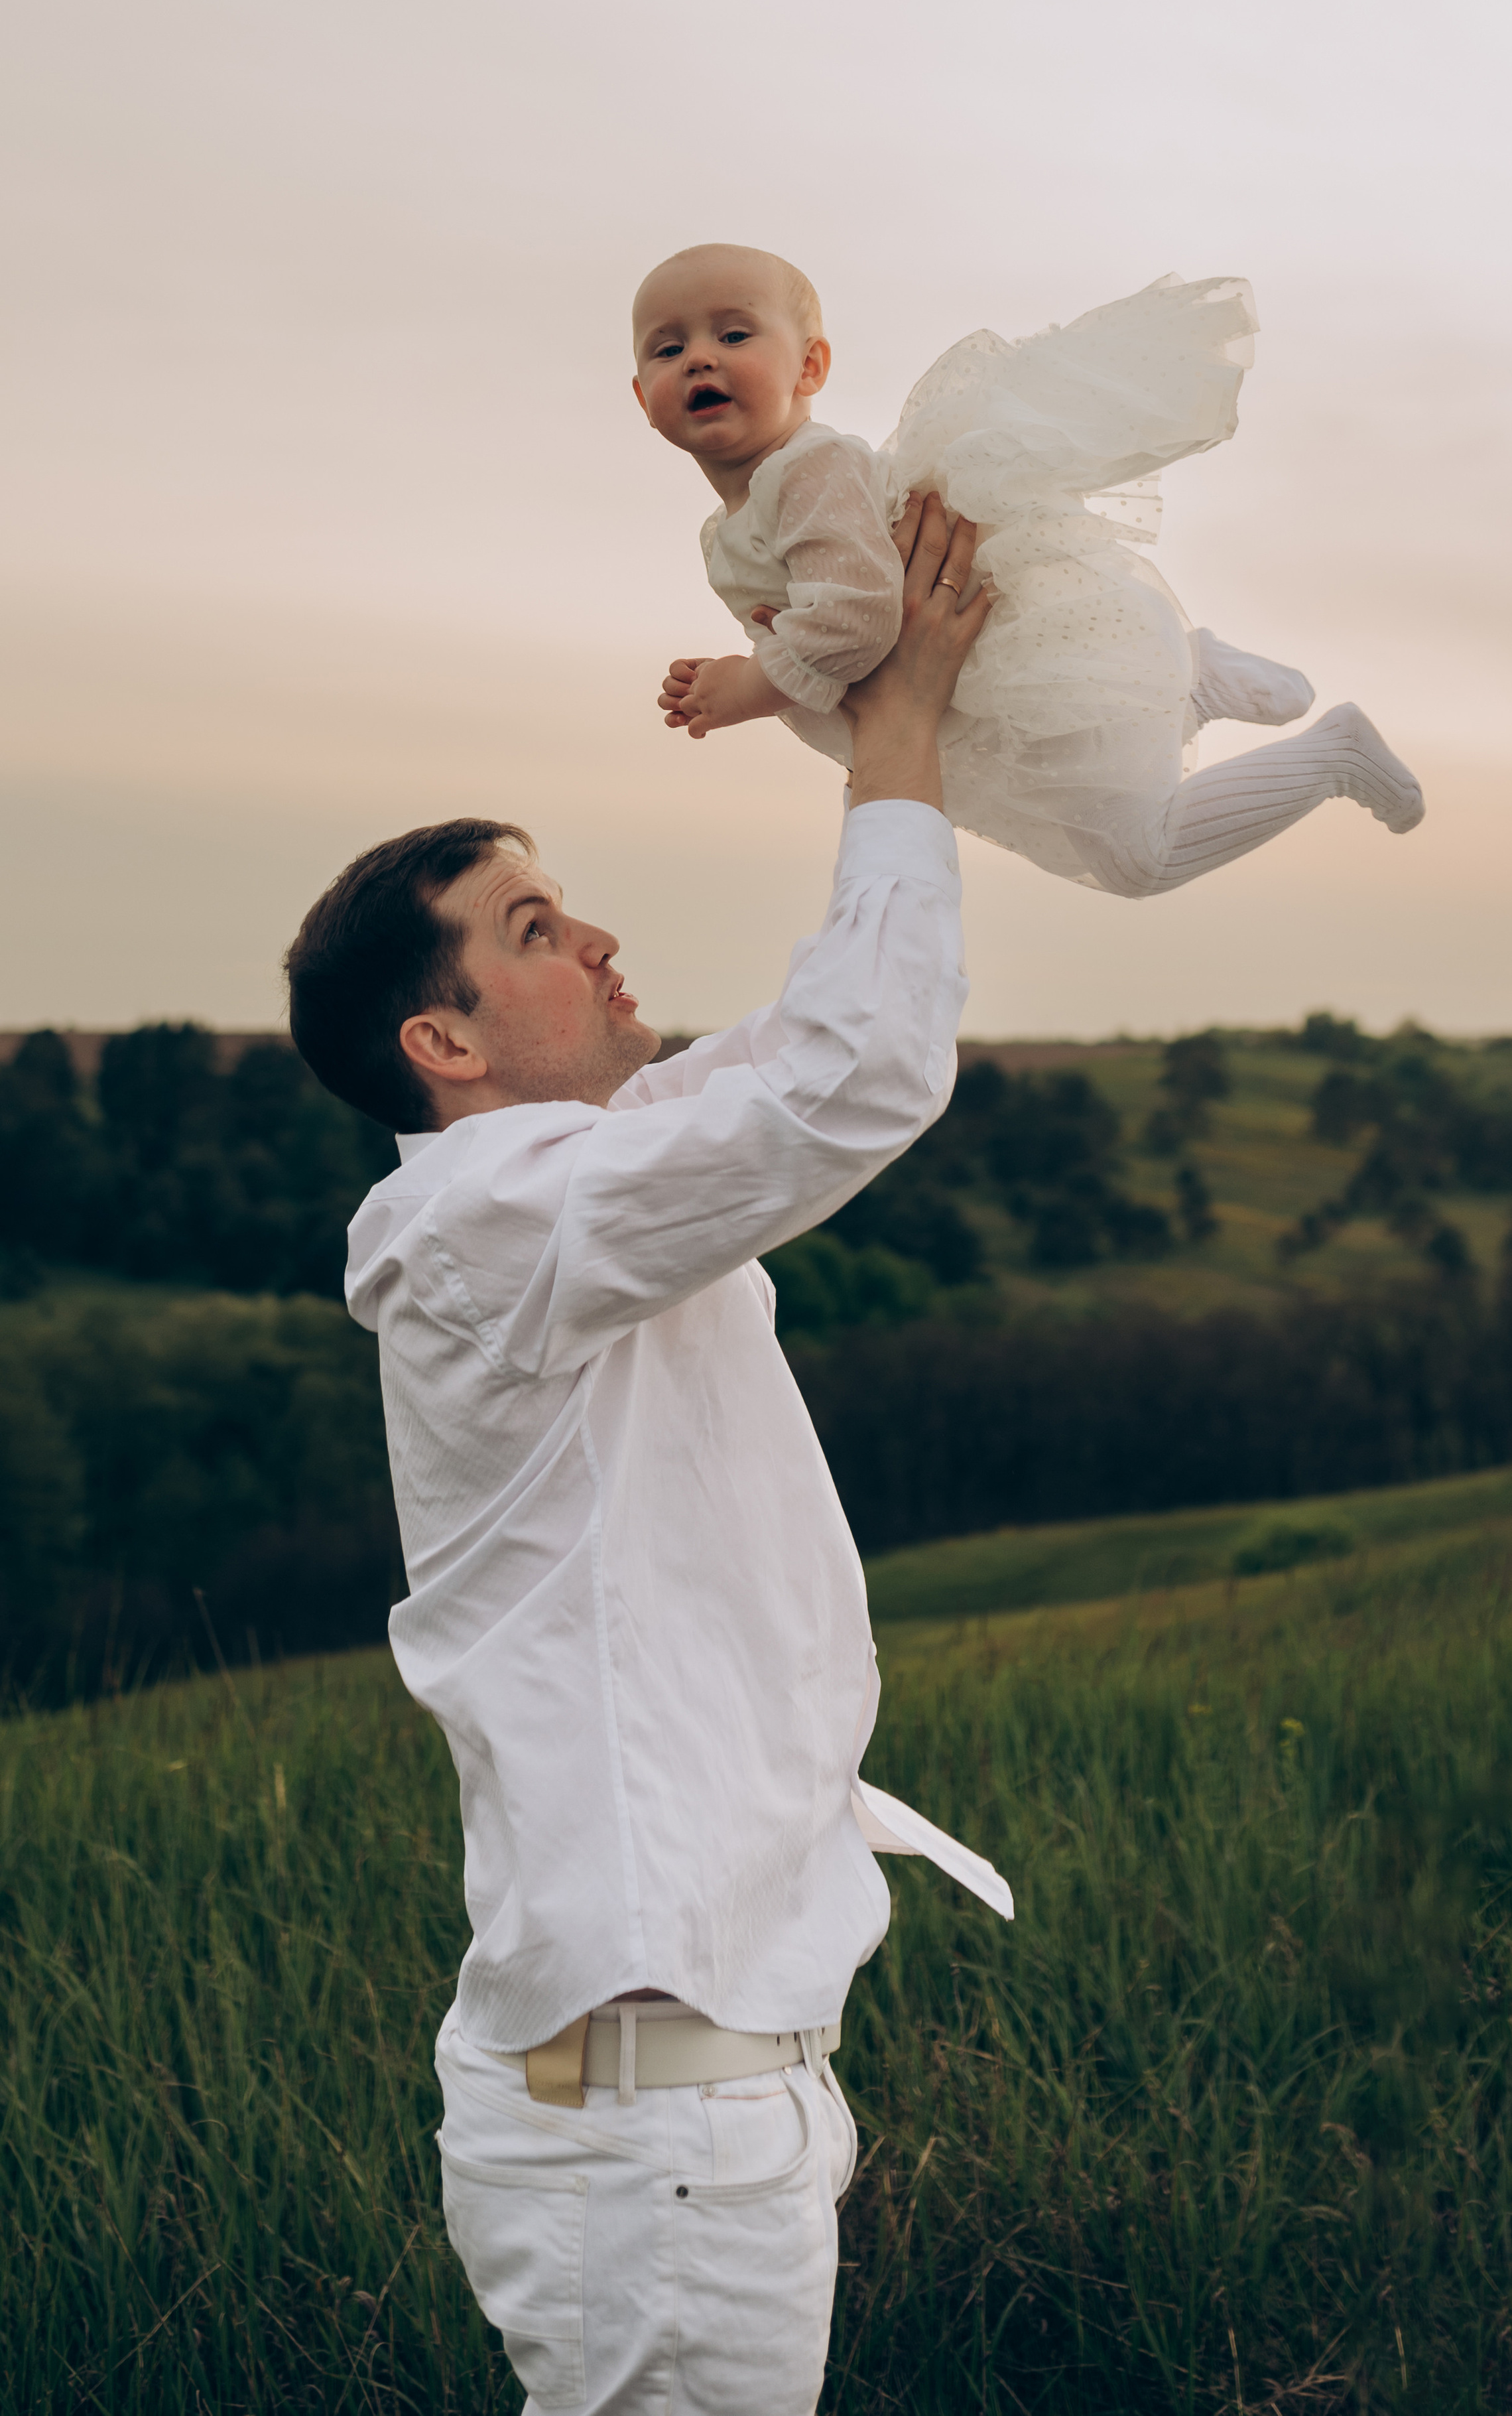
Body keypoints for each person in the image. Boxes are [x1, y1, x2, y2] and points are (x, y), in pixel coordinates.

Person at [284, 495, 1013, 2416]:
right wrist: (902, 729)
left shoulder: (561, 1181)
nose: (596, 935)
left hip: (696, 2103)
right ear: (444, 1038)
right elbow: (862, 1079)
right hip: (652, 2127)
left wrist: (883, 721)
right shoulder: (496, 1218)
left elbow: (786, 1069)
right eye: (537, 930)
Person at [633, 241, 1425, 898]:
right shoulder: (730, 525)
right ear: (644, 396)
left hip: (1033, 666)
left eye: (734, 336)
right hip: (1002, 689)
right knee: (1109, 834)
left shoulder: (808, 471)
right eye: (670, 349)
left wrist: (747, 685)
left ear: (809, 368)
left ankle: (1333, 755)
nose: (699, 357)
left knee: (1137, 858)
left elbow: (858, 617)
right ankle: (1191, 678)